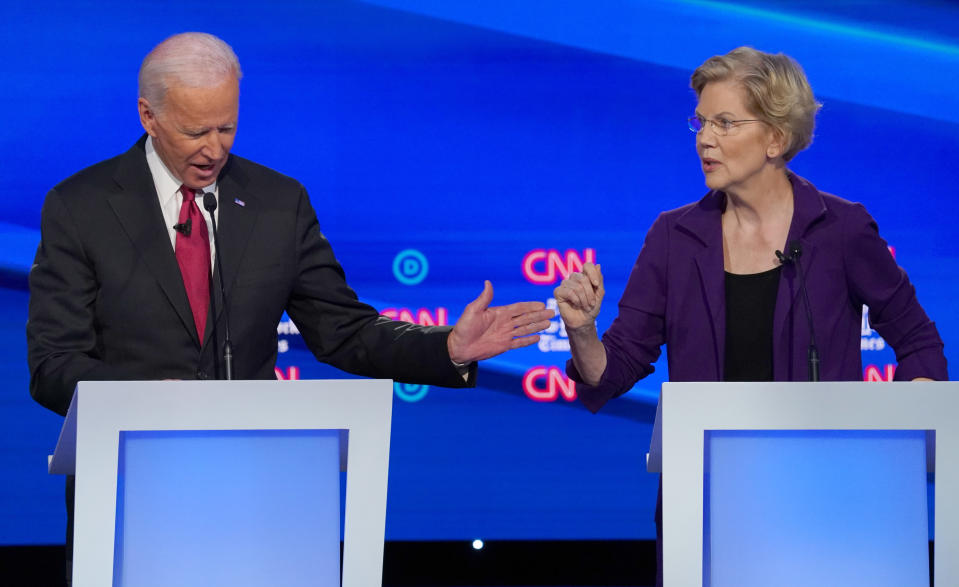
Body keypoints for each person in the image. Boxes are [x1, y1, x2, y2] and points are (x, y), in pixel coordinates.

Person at [26, 32, 553, 583]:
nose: (214, 148)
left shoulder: (278, 203)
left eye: (226, 127)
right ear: (148, 116)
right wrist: (147, 405)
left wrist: (446, 348)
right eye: (194, 131)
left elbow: (343, 331)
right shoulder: (80, 207)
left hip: (264, 494)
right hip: (131, 490)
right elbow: (53, 364)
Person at [554, 46, 947, 585]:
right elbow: (614, 368)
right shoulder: (674, 238)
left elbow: (918, 339)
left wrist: (900, 439)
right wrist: (581, 331)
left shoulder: (841, 230)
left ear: (775, 139)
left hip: (833, 505)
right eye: (700, 121)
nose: (704, 138)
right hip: (709, 511)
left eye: (724, 122)